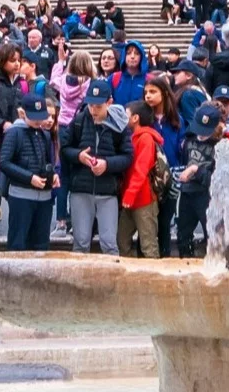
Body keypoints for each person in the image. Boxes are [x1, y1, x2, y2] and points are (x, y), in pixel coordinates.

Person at [60, 79, 131, 255]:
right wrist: (79, 156)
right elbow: (65, 149)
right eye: (90, 105)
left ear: (109, 103)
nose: (93, 111)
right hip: (81, 189)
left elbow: (128, 156)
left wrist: (107, 164)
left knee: (109, 243)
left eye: (98, 106)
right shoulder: (79, 120)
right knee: (81, 242)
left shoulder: (120, 125)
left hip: (107, 191)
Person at [0, 97, 58, 251]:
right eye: (34, 117)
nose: (39, 122)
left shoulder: (44, 135)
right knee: (18, 242)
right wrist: (29, 178)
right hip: (21, 195)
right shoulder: (14, 133)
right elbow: (4, 162)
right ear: (22, 114)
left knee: (41, 243)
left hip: (44, 197)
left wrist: (53, 176)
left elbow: (47, 161)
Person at [117, 102, 164, 258]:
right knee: (122, 241)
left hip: (143, 199)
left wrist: (129, 194)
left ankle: (153, 280)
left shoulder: (145, 139)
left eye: (126, 114)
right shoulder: (134, 137)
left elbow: (141, 170)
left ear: (135, 118)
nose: (123, 118)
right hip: (132, 199)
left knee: (148, 246)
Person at [176, 104, 222, 258]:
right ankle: (185, 260)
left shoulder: (219, 147)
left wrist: (197, 170)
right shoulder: (189, 140)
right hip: (187, 192)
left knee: (211, 233)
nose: (201, 135)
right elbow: (183, 161)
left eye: (206, 131)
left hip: (206, 195)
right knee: (183, 232)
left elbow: (216, 179)